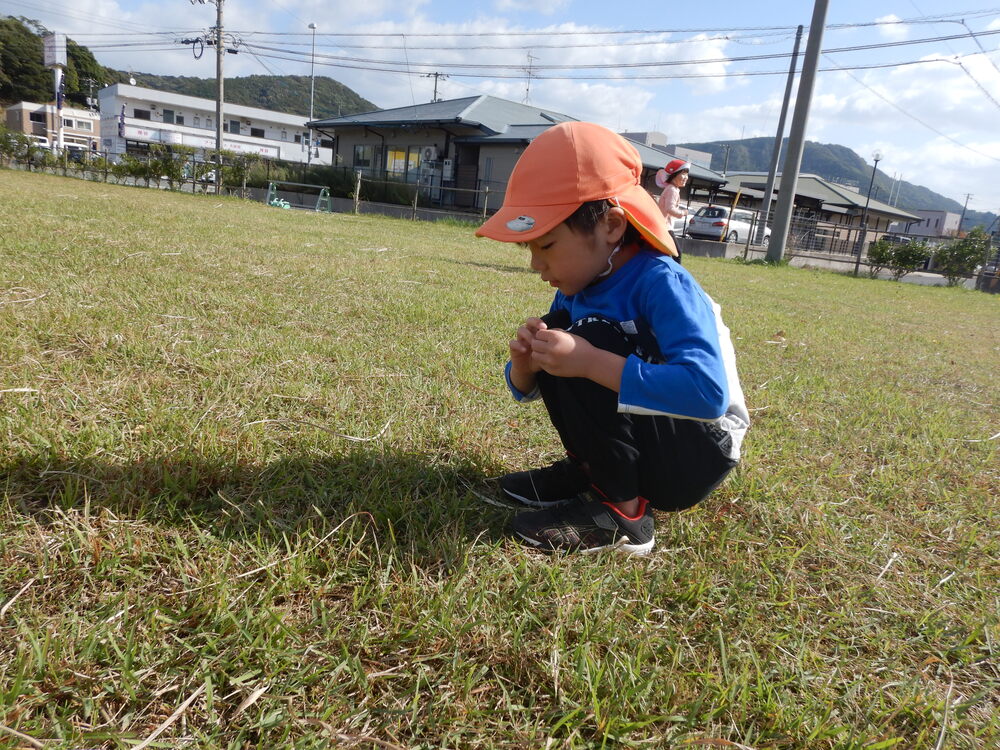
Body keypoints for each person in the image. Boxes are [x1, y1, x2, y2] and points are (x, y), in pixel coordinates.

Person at [475, 122, 749, 556]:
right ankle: (594, 473)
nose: (535, 265)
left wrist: (587, 362)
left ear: (612, 226)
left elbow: (707, 394)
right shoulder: (580, 290)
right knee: (561, 335)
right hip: (655, 444)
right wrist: (527, 363)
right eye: (529, 250)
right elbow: (526, 383)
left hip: (698, 453)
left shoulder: (662, 282)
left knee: (588, 338)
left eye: (545, 246)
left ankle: (625, 517)